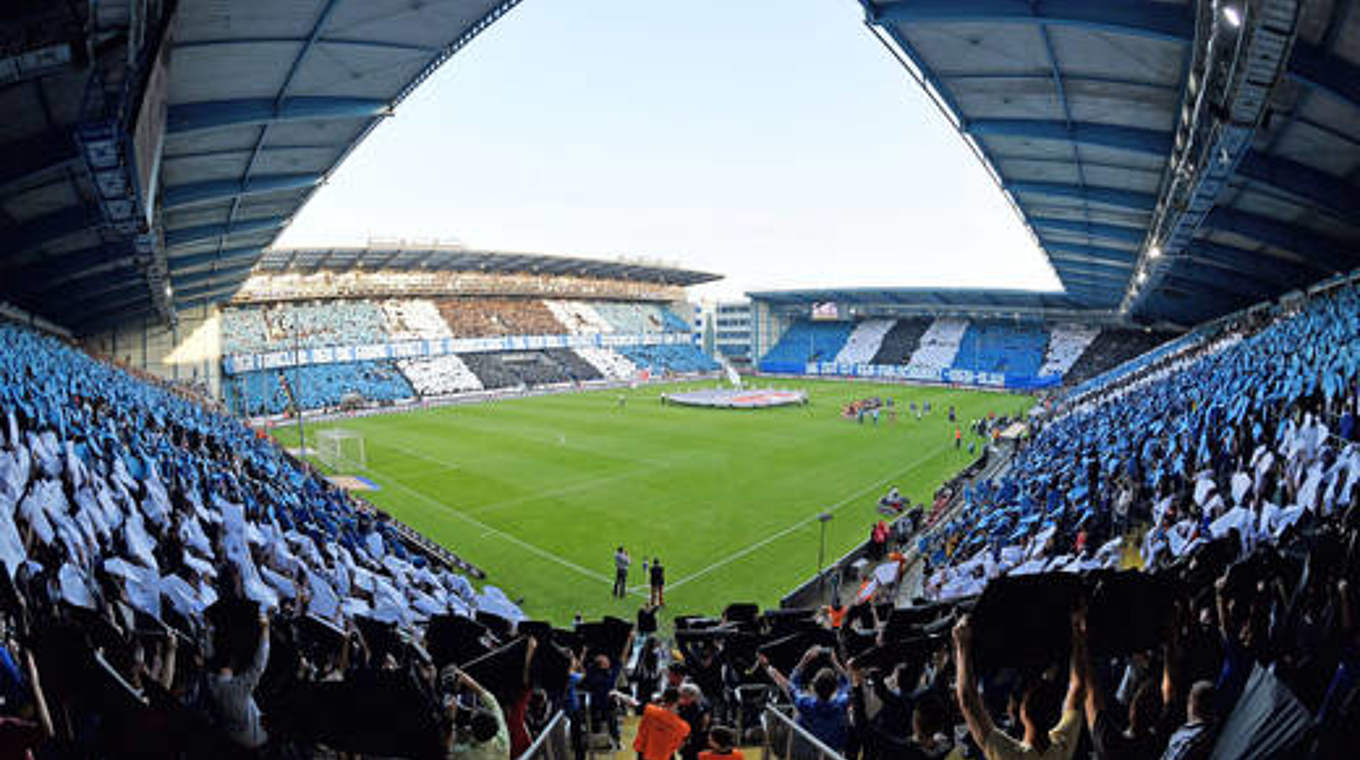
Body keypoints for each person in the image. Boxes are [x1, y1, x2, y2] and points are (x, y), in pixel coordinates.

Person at [952, 611, 1085, 760]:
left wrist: (962, 644)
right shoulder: (1062, 747)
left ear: (1023, 713)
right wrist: (1078, 634)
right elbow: (1079, 687)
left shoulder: (1058, 747)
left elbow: (1078, 687)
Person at [761, 647, 851, 753]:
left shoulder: (806, 704)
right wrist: (835, 662)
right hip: (835, 752)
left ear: (814, 687)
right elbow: (850, 683)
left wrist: (804, 660)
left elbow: (791, 685)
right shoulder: (842, 703)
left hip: (810, 752)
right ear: (835, 688)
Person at [205, 608, 271, 750]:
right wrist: (265, 630)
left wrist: (208, 631)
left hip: (231, 740)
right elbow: (259, 665)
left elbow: (208, 658)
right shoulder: (237, 688)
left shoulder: (210, 684)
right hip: (255, 742)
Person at [449, 668, 511, 760]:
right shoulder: (502, 741)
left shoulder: (465, 754)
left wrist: (451, 718)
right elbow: (493, 702)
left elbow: (448, 749)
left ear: (470, 730)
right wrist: (467, 681)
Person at [633, 687, 692, 760]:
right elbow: (679, 746)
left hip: (644, 754)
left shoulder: (649, 710)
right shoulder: (682, 726)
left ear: (664, 698)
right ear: (678, 701)